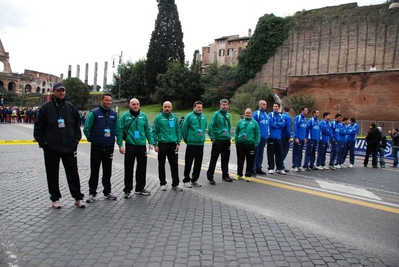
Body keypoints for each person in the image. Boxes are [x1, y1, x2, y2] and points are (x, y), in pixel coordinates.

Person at [33, 82, 85, 209]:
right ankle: (55, 198)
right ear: (54, 92)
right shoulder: (45, 108)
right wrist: (44, 144)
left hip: (69, 146)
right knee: (52, 173)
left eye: (63, 91)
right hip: (52, 147)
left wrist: (75, 141)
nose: (61, 93)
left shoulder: (70, 107)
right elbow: (38, 128)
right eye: (59, 91)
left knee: (73, 172)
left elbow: (76, 126)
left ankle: (78, 197)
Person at [83, 93, 122, 203]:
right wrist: (92, 139)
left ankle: (107, 191)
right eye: (106, 100)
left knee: (107, 170)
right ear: (101, 100)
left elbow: (117, 130)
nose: (108, 102)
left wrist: (119, 143)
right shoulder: (94, 113)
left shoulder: (114, 114)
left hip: (109, 146)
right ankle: (92, 192)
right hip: (97, 146)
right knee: (94, 170)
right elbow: (87, 128)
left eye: (110, 100)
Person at [118, 98, 154, 198]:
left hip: (141, 145)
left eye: (137, 104)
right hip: (130, 145)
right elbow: (120, 130)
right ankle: (127, 189)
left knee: (142, 168)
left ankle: (140, 188)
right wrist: (120, 144)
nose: (136, 106)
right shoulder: (125, 116)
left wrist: (151, 142)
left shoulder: (143, 116)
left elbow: (147, 130)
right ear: (129, 105)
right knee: (129, 168)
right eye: (133, 104)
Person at [152, 101, 183, 191]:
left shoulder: (174, 118)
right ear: (163, 107)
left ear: (171, 107)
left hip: (172, 144)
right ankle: (163, 183)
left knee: (174, 164)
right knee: (161, 164)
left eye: (169, 106)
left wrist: (178, 142)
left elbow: (177, 130)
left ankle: (175, 184)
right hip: (162, 144)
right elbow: (154, 131)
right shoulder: (158, 118)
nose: (167, 108)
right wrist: (155, 144)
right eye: (165, 106)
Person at [181, 101, 207, 188]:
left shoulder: (204, 117)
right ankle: (186, 180)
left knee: (198, 162)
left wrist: (202, 139)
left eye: (201, 107)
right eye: (198, 107)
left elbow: (204, 128)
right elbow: (184, 129)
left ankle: (194, 179)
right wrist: (187, 140)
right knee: (189, 162)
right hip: (191, 143)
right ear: (194, 107)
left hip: (200, 143)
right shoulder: (189, 116)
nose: (200, 109)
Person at [207, 99, 232, 184]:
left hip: (226, 140)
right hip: (218, 140)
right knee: (214, 159)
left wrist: (228, 136)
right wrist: (213, 138)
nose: (224, 106)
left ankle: (225, 175)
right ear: (220, 105)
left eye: (226, 105)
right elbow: (211, 126)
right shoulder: (216, 114)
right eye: (223, 105)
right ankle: (210, 176)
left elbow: (229, 126)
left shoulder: (228, 115)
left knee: (225, 159)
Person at [234, 108, 260, 182]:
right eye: (246, 113)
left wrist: (255, 144)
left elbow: (257, 134)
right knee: (240, 160)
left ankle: (248, 175)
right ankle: (239, 174)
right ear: (244, 113)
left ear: (251, 114)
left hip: (250, 145)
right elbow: (236, 131)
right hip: (240, 144)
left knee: (250, 161)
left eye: (249, 113)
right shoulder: (240, 122)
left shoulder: (254, 123)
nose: (247, 114)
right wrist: (236, 140)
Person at [267, 103, 286, 175]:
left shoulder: (281, 116)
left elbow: (283, 124)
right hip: (271, 137)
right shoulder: (270, 115)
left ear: (279, 108)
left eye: (276, 106)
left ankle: (280, 168)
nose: (275, 108)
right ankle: (271, 168)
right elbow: (271, 124)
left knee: (279, 154)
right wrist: (278, 124)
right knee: (270, 153)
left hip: (279, 137)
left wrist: (277, 123)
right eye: (274, 106)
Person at [252, 100, 269, 175]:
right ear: (260, 105)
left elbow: (267, 126)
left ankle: (259, 168)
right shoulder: (256, 114)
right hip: (257, 138)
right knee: (255, 153)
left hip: (264, 138)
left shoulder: (266, 114)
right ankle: (253, 168)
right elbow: (253, 126)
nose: (265, 105)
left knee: (260, 154)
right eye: (263, 104)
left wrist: (267, 135)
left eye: (266, 104)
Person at [292, 107, 308, 172]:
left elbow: (304, 129)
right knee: (296, 152)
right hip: (298, 138)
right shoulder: (298, 118)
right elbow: (295, 128)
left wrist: (304, 137)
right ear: (302, 111)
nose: (307, 111)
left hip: (302, 138)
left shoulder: (304, 119)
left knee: (300, 152)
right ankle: (294, 166)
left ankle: (298, 165)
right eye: (306, 110)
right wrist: (296, 137)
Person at [281, 106, 292, 172]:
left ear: (283, 110)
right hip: (285, 137)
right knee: (284, 151)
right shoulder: (288, 117)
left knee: (280, 152)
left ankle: (280, 165)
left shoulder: (280, 116)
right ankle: (280, 166)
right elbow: (288, 129)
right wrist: (289, 137)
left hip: (279, 136)